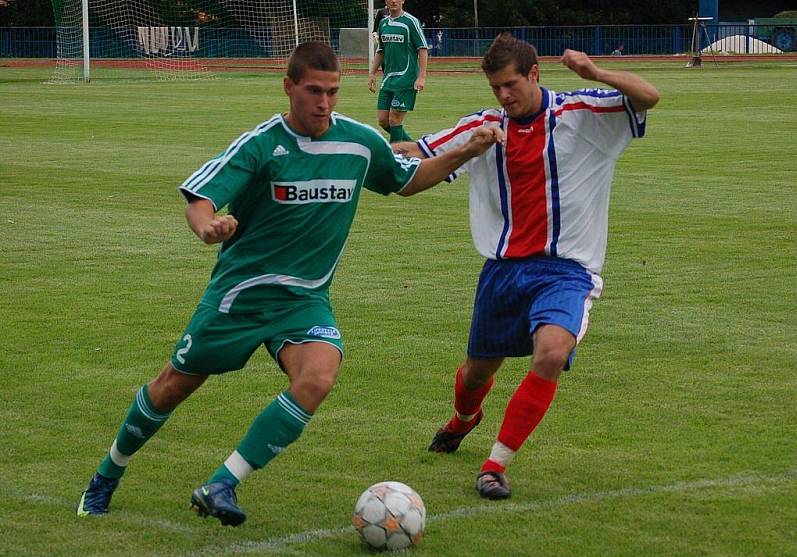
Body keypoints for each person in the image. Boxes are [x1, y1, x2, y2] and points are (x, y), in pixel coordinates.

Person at [76, 41, 502, 526]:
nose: (324, 103)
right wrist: (207, 226)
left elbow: (407, 179)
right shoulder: (261, 144)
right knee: (172, 387)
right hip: (241, 296)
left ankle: (222, 482)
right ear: (289, 87)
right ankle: (108, 474)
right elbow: (200, 199)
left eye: (333, 92)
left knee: (318, 377)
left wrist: (465, 150)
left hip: (304, 300)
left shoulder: (361, 143)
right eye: (314, 91)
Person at [395, 34, 660, 500]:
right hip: (503, 272)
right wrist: (459, 150)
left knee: (552, 352)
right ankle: (463, 420)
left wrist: (596, 73)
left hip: (566, 270)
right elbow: (415, 156)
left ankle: (495, 465)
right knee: (476, 373)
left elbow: (648, 96)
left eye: (511, 84)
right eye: (496, 87)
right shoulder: (484, 126)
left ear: (534, 74)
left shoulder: (583, 111)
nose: (503, 95)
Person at [367, 0, 428, 143]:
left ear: (403, 1)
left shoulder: (411, 22)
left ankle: (395, 159)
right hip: (388, 79)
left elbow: (423, 49)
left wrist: (421, 77)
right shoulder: (383, 24)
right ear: (385, 1)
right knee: (383, 120)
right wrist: (372, 73)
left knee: (395, 119)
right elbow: (380, 51)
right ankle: (415, 147)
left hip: (407, 78)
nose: (393, 1)